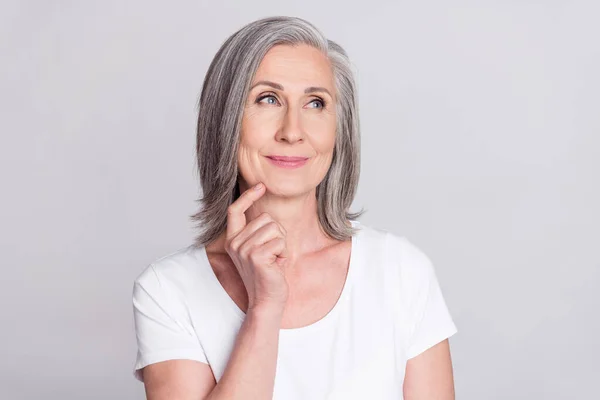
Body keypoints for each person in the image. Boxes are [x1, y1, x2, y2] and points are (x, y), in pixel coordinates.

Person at [132, 15, 458, 400]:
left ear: (340, 130)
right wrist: (265, 308)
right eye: (267, 99)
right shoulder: (167, 292)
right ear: (225, 119)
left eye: (315, 102)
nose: (292, 130)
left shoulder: (401, 273)